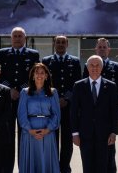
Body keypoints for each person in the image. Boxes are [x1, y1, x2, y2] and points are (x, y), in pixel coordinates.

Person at [0, 27, 41, 173]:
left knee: (25, 135)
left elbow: (35, 75)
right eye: (14, 36)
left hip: (25, 99)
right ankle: (6, 169)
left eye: (20, 36)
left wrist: (22, 89)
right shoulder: (2, 53)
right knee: (7, 136)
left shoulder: (33, 54)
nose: (17, 38)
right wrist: (9, 89)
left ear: (25, 38)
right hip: (7, 100)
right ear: (11, 38)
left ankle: (24, 168)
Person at [82, 37, 118, 173]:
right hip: (91, 120)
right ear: (96, 49)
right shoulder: (88, 65)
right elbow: (85, 89)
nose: (102, 49)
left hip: (107, 117)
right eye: (99, 47)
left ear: (109, 49)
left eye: (104, 47)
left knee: (109, 158)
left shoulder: (116, 67)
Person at [72, 55, 118, 173]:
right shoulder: (78, 86)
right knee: (87, 167)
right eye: (91, 65)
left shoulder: (111, 86)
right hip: (85, 135)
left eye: (97, 65)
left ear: (102, 67)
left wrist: (114, 132)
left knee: (103, 167)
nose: (94, 68)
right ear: (87, 67)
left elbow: (114, 111)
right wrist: (75, 133)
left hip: (105, 135)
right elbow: (74, 111)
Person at [43, 35, 83, 173]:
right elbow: (44, 83)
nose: (60, 44)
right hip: (51, 107)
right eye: (58, 42)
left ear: (67, 44)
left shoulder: (75, 61)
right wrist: (55, 99)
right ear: (54, 44)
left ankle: (65, 168)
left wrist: (66, 98)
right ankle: (53, 167)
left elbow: (77, 83)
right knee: (51, 139)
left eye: (63, 42)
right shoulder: (46, 61)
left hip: (68, 106)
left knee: (67, 141)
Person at [18, 63, 61, 173]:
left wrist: (48, 129)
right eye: (37, 73)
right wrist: (29, 130)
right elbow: (21, 114)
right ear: (32, 75)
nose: (39, 75)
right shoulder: (25, 92)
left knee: (46, 161)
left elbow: (56, 114)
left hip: (47, 133)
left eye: (42, 73)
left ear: (46, 76)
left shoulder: (53, 92)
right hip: (29, 133)